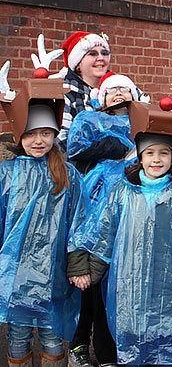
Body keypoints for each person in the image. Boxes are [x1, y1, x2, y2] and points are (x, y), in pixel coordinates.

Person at [68, 101, 172, 366]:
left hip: (169, 289)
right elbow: (102, 236)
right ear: (140, 156)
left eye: (163, 153)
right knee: (132, 344)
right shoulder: (123, 192)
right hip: (129, 287)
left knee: (165, 346)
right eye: (149, 153)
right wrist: (90, 274)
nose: (156, 159)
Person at [0, 79, 86, 367]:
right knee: (18, 336)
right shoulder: (6, 174)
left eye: (46, 133)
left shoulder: (68, 174)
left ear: (54, 135)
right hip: (16, 274)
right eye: (32, 133)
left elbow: (80, 223)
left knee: (52, 337)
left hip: (55, 274)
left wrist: (77, 266)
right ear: (19, 135)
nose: (39, 141)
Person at [66, 72, 142, 367]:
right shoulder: (89, 119)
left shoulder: (141, 122)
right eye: (113, 90)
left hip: (127, 219)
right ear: (102, 96)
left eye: (125, 89)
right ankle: (79, 345)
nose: (119, 94)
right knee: (86, 288)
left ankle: (110, 350)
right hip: (91, 217)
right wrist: (114, 146)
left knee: (115, 290)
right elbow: (76, 150)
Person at [58, 31, 111, 149]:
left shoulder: (117, 91)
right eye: (92, 54)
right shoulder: (67, 94)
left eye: (104, 53)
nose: (101, 58)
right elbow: (60, 142)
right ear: (78, 64)